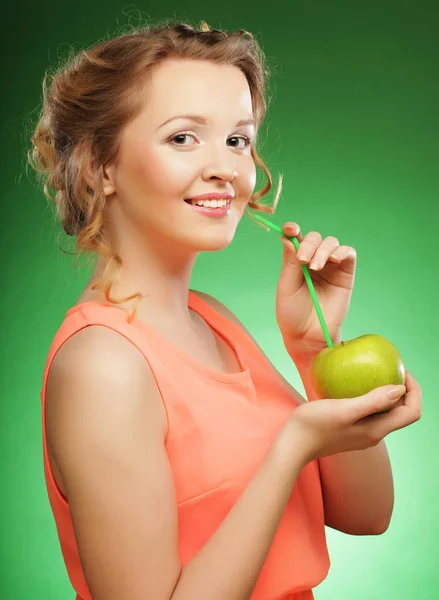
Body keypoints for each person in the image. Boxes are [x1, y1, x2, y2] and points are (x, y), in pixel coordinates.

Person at [28, 20, 422, 600]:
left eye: (237, 139)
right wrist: (291, 448)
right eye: (184, 137)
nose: (227, 168)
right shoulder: (103, 366)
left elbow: (367, 514)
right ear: (98, 166)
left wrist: (315, 351)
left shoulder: (211, 319)